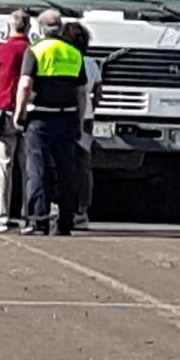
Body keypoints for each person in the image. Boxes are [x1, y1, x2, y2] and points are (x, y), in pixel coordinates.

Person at [15, 8, 86, 237]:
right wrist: (79, 120)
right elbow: (81, 93)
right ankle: (65, 221)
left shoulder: (35, 51)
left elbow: (25, 85)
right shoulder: (74, 53)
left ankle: (38, 220)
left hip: (40, 118)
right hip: (67, 117)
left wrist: (19, 113)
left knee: (37, 168)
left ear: (40, 28)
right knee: (67, 170)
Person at [0, 9, 31, 231]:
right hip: (31, 113)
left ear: (8, 27)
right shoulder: (34, 51)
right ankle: (30, 214)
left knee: (2, 166)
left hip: (2, 111)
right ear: (29, 27)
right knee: (29, 167)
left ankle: (0, 214)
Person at [62, 20, 103, 230]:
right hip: (86, 118)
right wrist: (91, 109)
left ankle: (60, 207)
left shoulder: (65, 59)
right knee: (83, 167)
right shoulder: (92, 64)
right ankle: (82, 210)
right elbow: (98, 94)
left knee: (61, 163)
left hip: (65, 114)